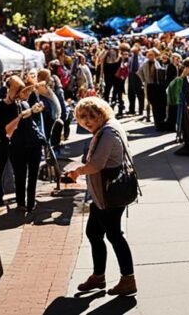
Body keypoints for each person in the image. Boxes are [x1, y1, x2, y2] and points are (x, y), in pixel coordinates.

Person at [66, 98, 137, 297]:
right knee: (94, 233)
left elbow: (96, 165)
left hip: (109, 194)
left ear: (101, 115)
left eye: (91, 116)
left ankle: (128, 279)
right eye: (82, 117)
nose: (86, 121)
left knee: (114, 235)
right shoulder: (106, 128)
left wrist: (78, 171)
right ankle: (99, 277)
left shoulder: (107, 133)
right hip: (102, 195)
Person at [7, 80, 46, 212]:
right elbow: (21, 119)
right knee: (28, 175)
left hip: (21, 145)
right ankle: (27, 203)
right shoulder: (17, 105)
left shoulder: (19, 104)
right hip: (26, 145)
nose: (28, 93)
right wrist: (32, 110)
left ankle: (24, 203)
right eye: (26, 91)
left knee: (21, 175)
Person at [0, 76, 26, 207]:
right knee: (0, 169)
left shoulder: (17, 106)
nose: (16, 95)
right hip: (1, 142)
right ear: (10, 89)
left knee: (16, 168)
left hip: (12, 141)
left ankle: (18, 196)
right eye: (16, 91)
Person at [167, 58, 189, 142]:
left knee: (182, 118)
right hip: (182, 99)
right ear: (188, 67)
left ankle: (180, 135)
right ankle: (179, 135)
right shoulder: (183, 76)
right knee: (181, 117)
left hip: (184, 99)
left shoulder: (188, 75)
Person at [137, 49, 168, 130]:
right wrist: (144, 80)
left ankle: (161, 122)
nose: (150, 56)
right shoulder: (145, 63)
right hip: (150, 86)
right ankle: (157, 124)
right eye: (149, 54)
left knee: (160, 105)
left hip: (159, 86)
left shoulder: (158, 62)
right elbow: (139, 72)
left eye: (152, 54)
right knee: (154, 105)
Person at [126, 46, 146, 117]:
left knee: (140, 94)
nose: (134, 52)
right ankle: (131, 109)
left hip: (138, 76)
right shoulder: (130, 58)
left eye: (135, 50)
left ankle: (141, 110)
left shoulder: (143, 58)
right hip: (131, 76)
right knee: (130, 93)